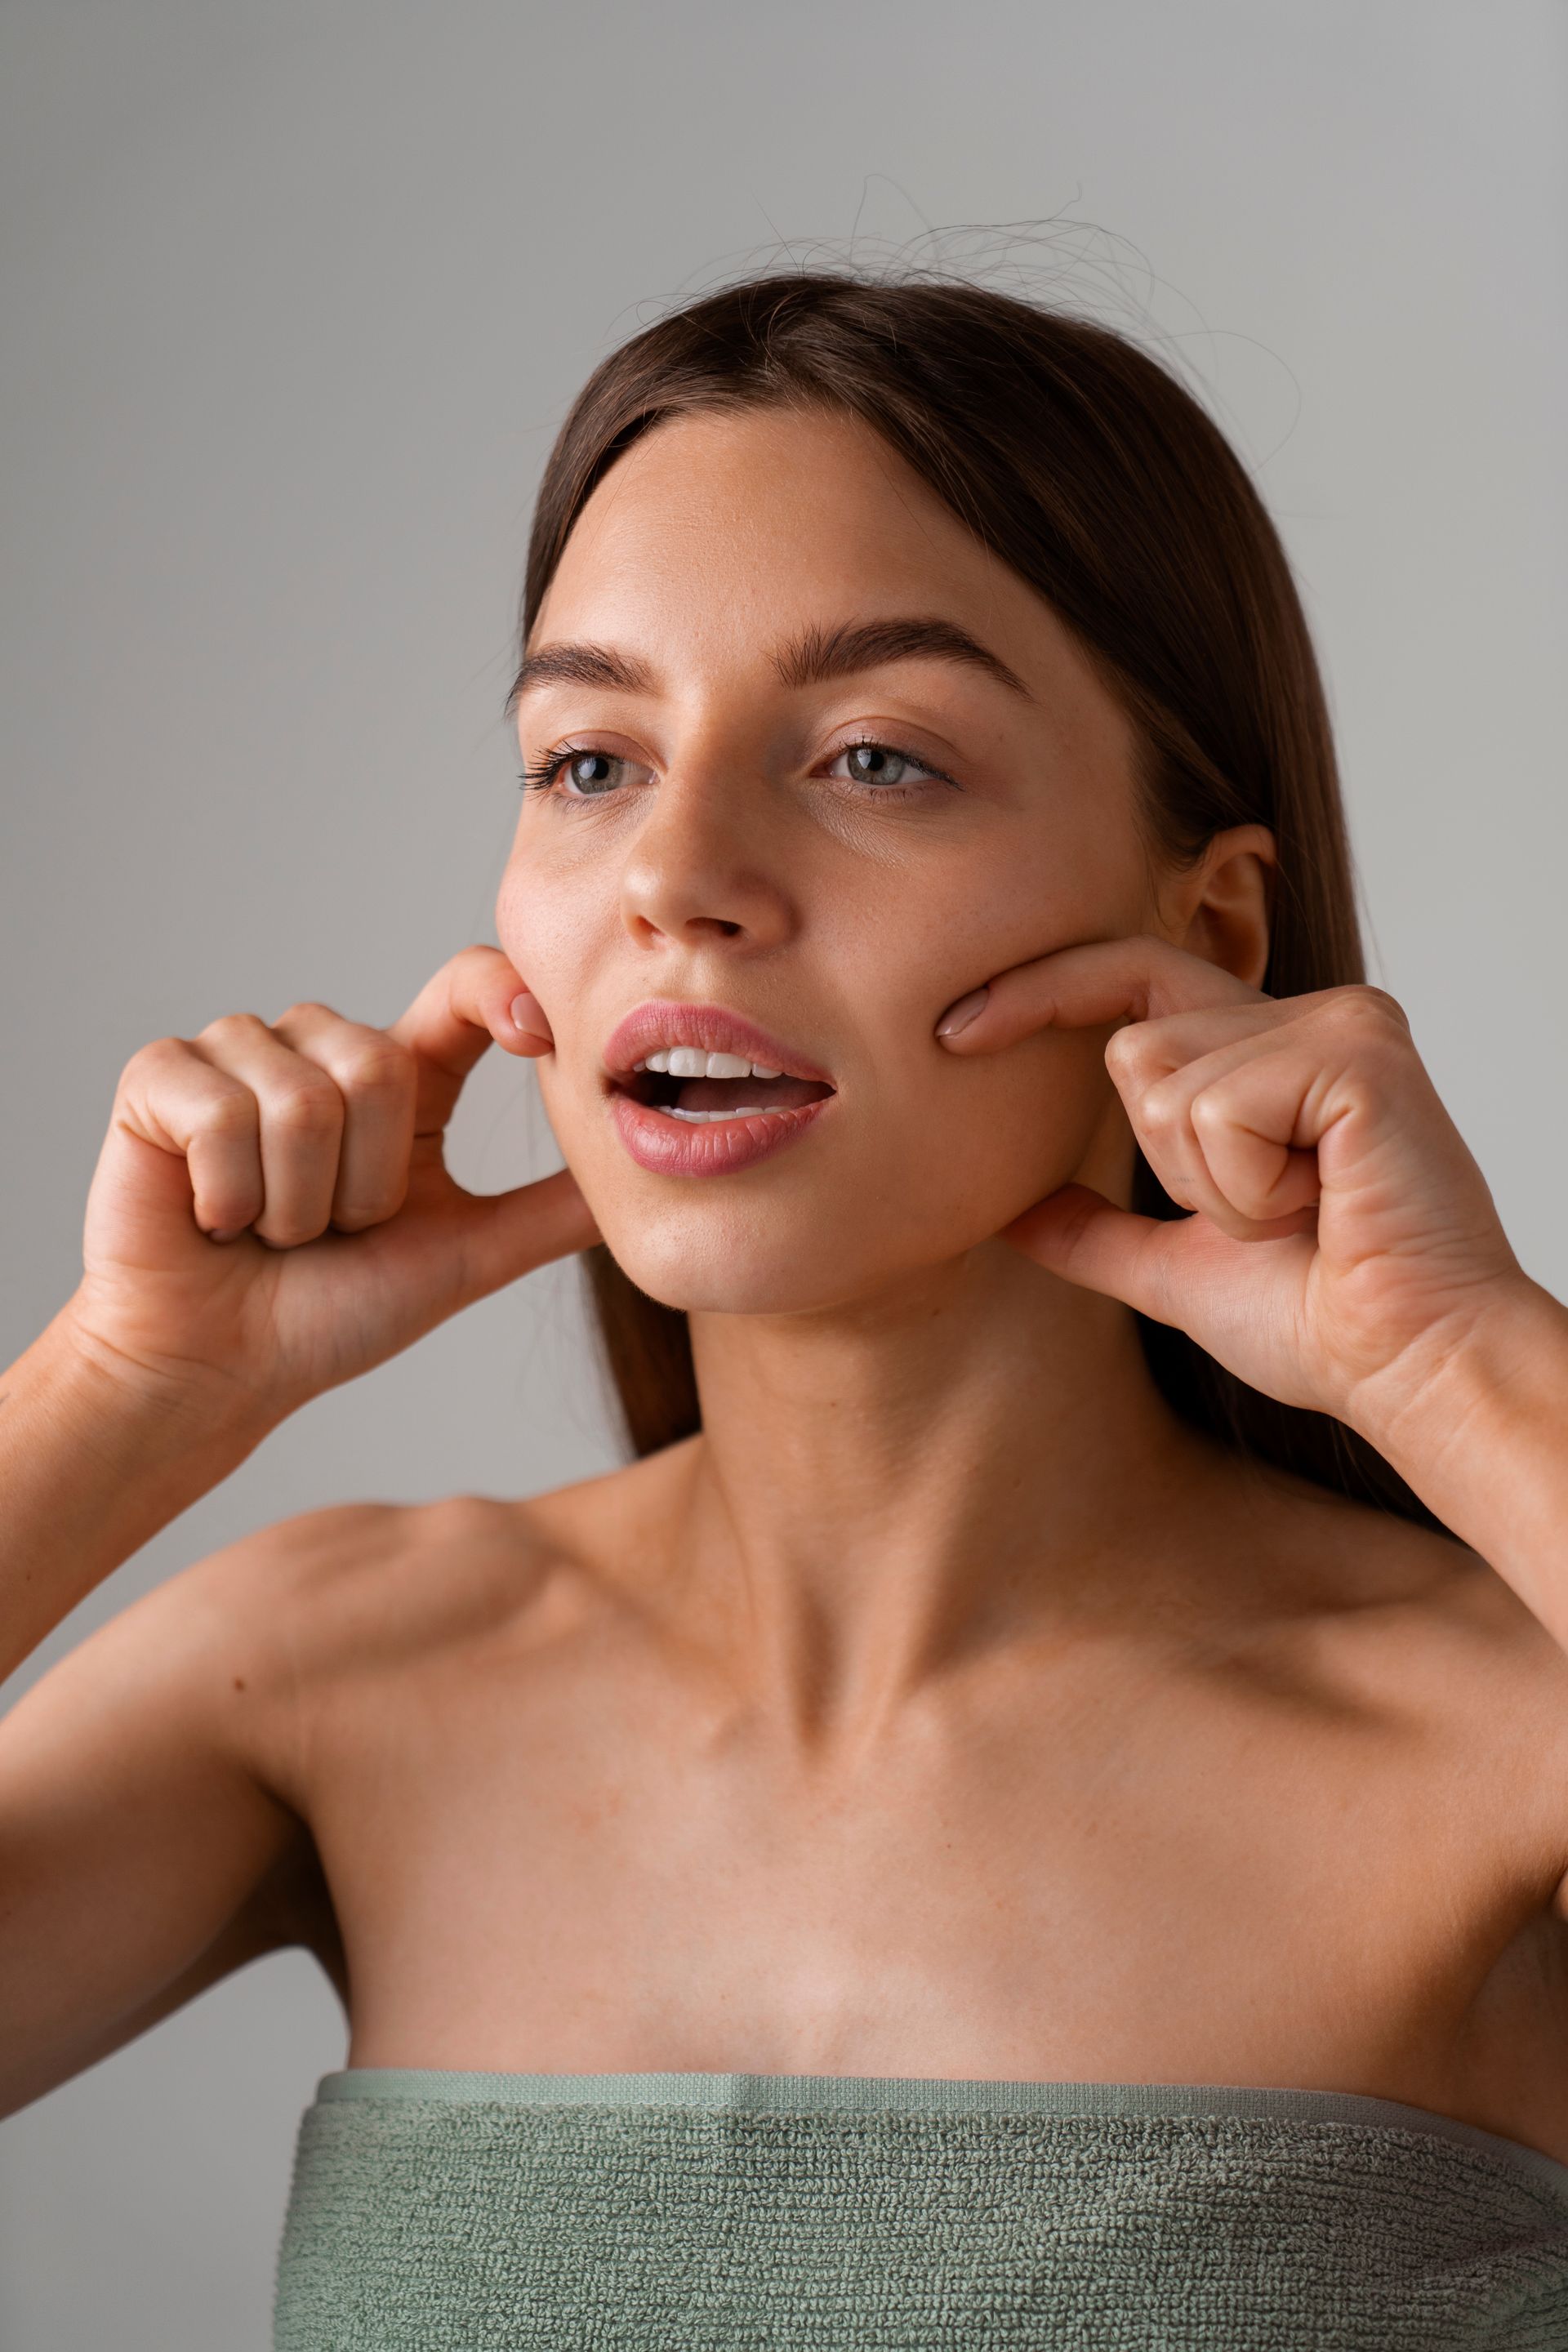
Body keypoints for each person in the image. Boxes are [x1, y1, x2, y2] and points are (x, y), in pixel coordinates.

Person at [3, 268, 1567, 2350]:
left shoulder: (1501, 1749)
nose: (679, 871)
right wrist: (116, 1393)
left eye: (872, 755)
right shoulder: (325, 1683)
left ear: (1203, 923)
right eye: (586, 761)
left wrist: (1459, 1362)